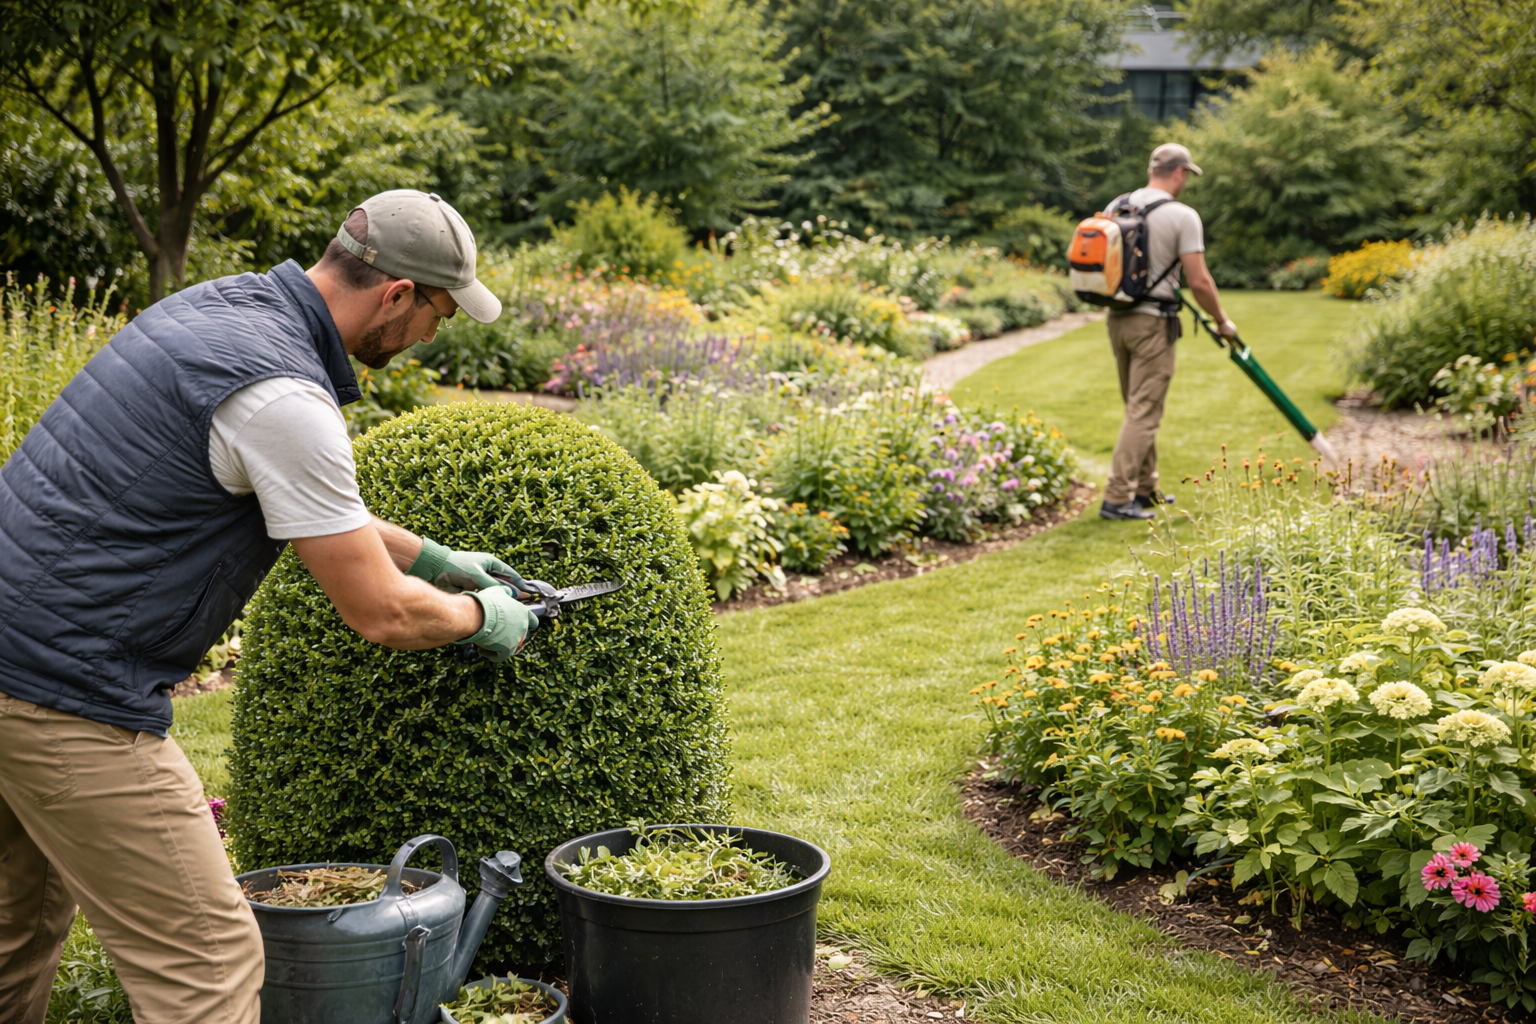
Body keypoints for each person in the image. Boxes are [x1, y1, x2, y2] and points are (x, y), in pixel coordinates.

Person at [0, 189, 538, 1023]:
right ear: (397, 294)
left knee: (16, 923)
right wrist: (487, 618)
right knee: (208, 961)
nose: (433, 336)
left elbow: (294, 497)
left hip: (15, 655)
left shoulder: (219, 311)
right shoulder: (283, 394)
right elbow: (383, 612)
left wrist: (435, 559)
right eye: (438, 313)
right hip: (64, 693)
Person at [1099, 143, 1237, 522]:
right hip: (1152, 324)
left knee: (1137, 408)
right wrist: (1222, 321)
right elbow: (1199, 281)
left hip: (1118, 319)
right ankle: (1117, 498)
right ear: (1179, 172)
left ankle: (1146, 489)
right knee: (1144, 412)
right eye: (1186, 175)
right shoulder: (1182, 215)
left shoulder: (1117, 206)